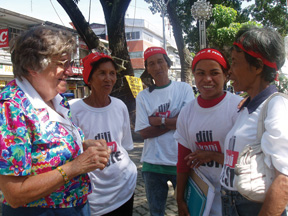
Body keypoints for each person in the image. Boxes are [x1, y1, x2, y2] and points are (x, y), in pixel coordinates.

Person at [0, 26, 111, 216]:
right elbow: (14, 194)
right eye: (62, 63)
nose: (68, 71)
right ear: (32, 67)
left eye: (69, 63)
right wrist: (74, 167)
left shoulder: (56, 99)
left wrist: (83, 145)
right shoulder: (11, 108)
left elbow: (45, 148)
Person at [220, 26, 288, 216]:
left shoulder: (276, 107)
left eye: (234, 62)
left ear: (257, 67)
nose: (229, 71)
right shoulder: (246, 107)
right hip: (232, 203)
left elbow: (284, 180)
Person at [174, 48, 242, 216]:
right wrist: (180, 199)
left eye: (214, 73)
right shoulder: (187, 112)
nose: (207, 79)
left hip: (236, 198)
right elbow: (183, 161)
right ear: (194, 75)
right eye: (200, 73)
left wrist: (212, 156)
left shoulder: (239, 107)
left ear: (226, 75)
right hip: (201, 199)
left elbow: (247, 162)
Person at [69, 52, 137, 216]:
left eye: (112, 73)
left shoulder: (120, 106)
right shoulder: (74, 111)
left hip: (125, 188)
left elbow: (124, 146)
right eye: (102, 73)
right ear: (89, 79)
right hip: (94, 197)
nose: (109, 78)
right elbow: (71, 154)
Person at [135, 47, 195, 216]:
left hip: (181, 163)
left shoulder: (184, 89)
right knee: (156, 212)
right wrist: (174, 122)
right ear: (147, 68)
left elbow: (187, 123)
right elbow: (144, 132)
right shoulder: (143, 96)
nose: (157, 67)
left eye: (160, 61)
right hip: (152, 165)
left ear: (168, 64)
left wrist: (159, 121)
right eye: (151, 64)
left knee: (187, 210)